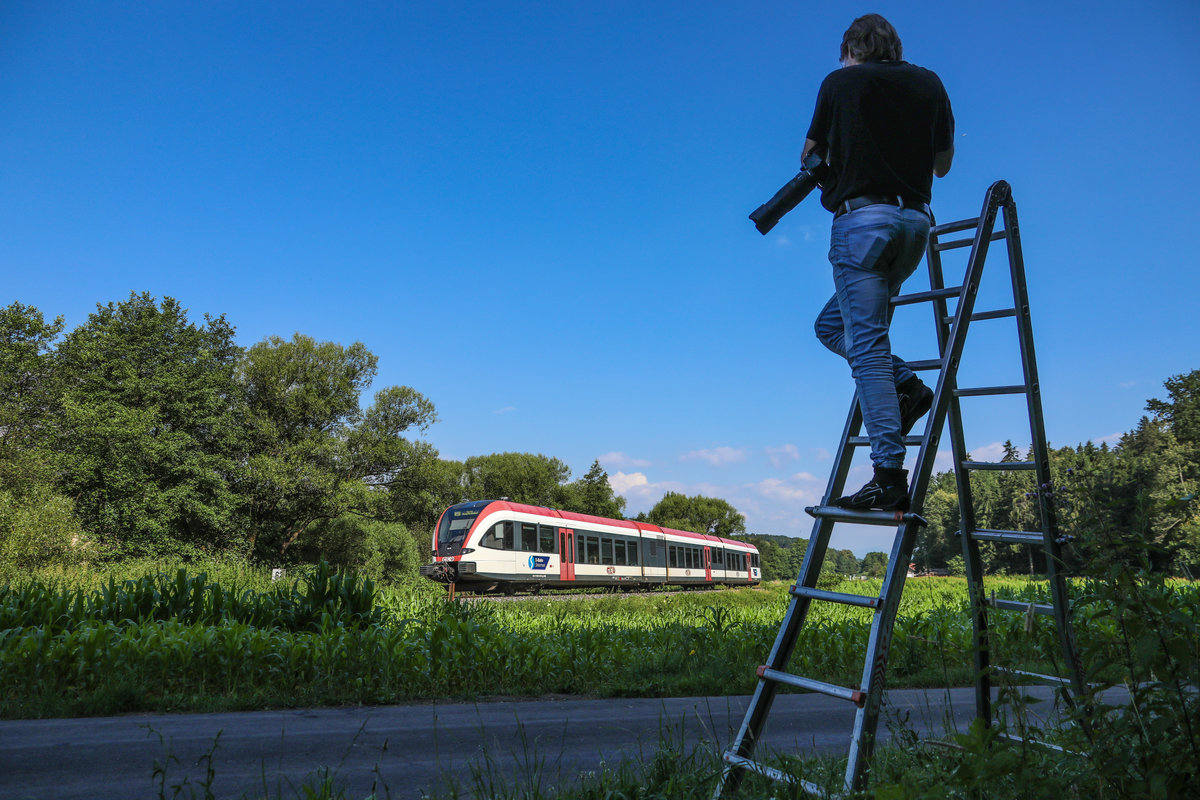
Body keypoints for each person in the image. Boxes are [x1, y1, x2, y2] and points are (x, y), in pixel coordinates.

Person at [804, 14, 954, 511]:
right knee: (831, 326)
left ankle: (888, 475)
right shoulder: (930, 84)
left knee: (866, 349)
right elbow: (942, 163)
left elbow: (809, 156)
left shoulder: (841, 82)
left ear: (851, 48)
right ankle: (907, 386)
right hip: (914, 224)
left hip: (862, 223)